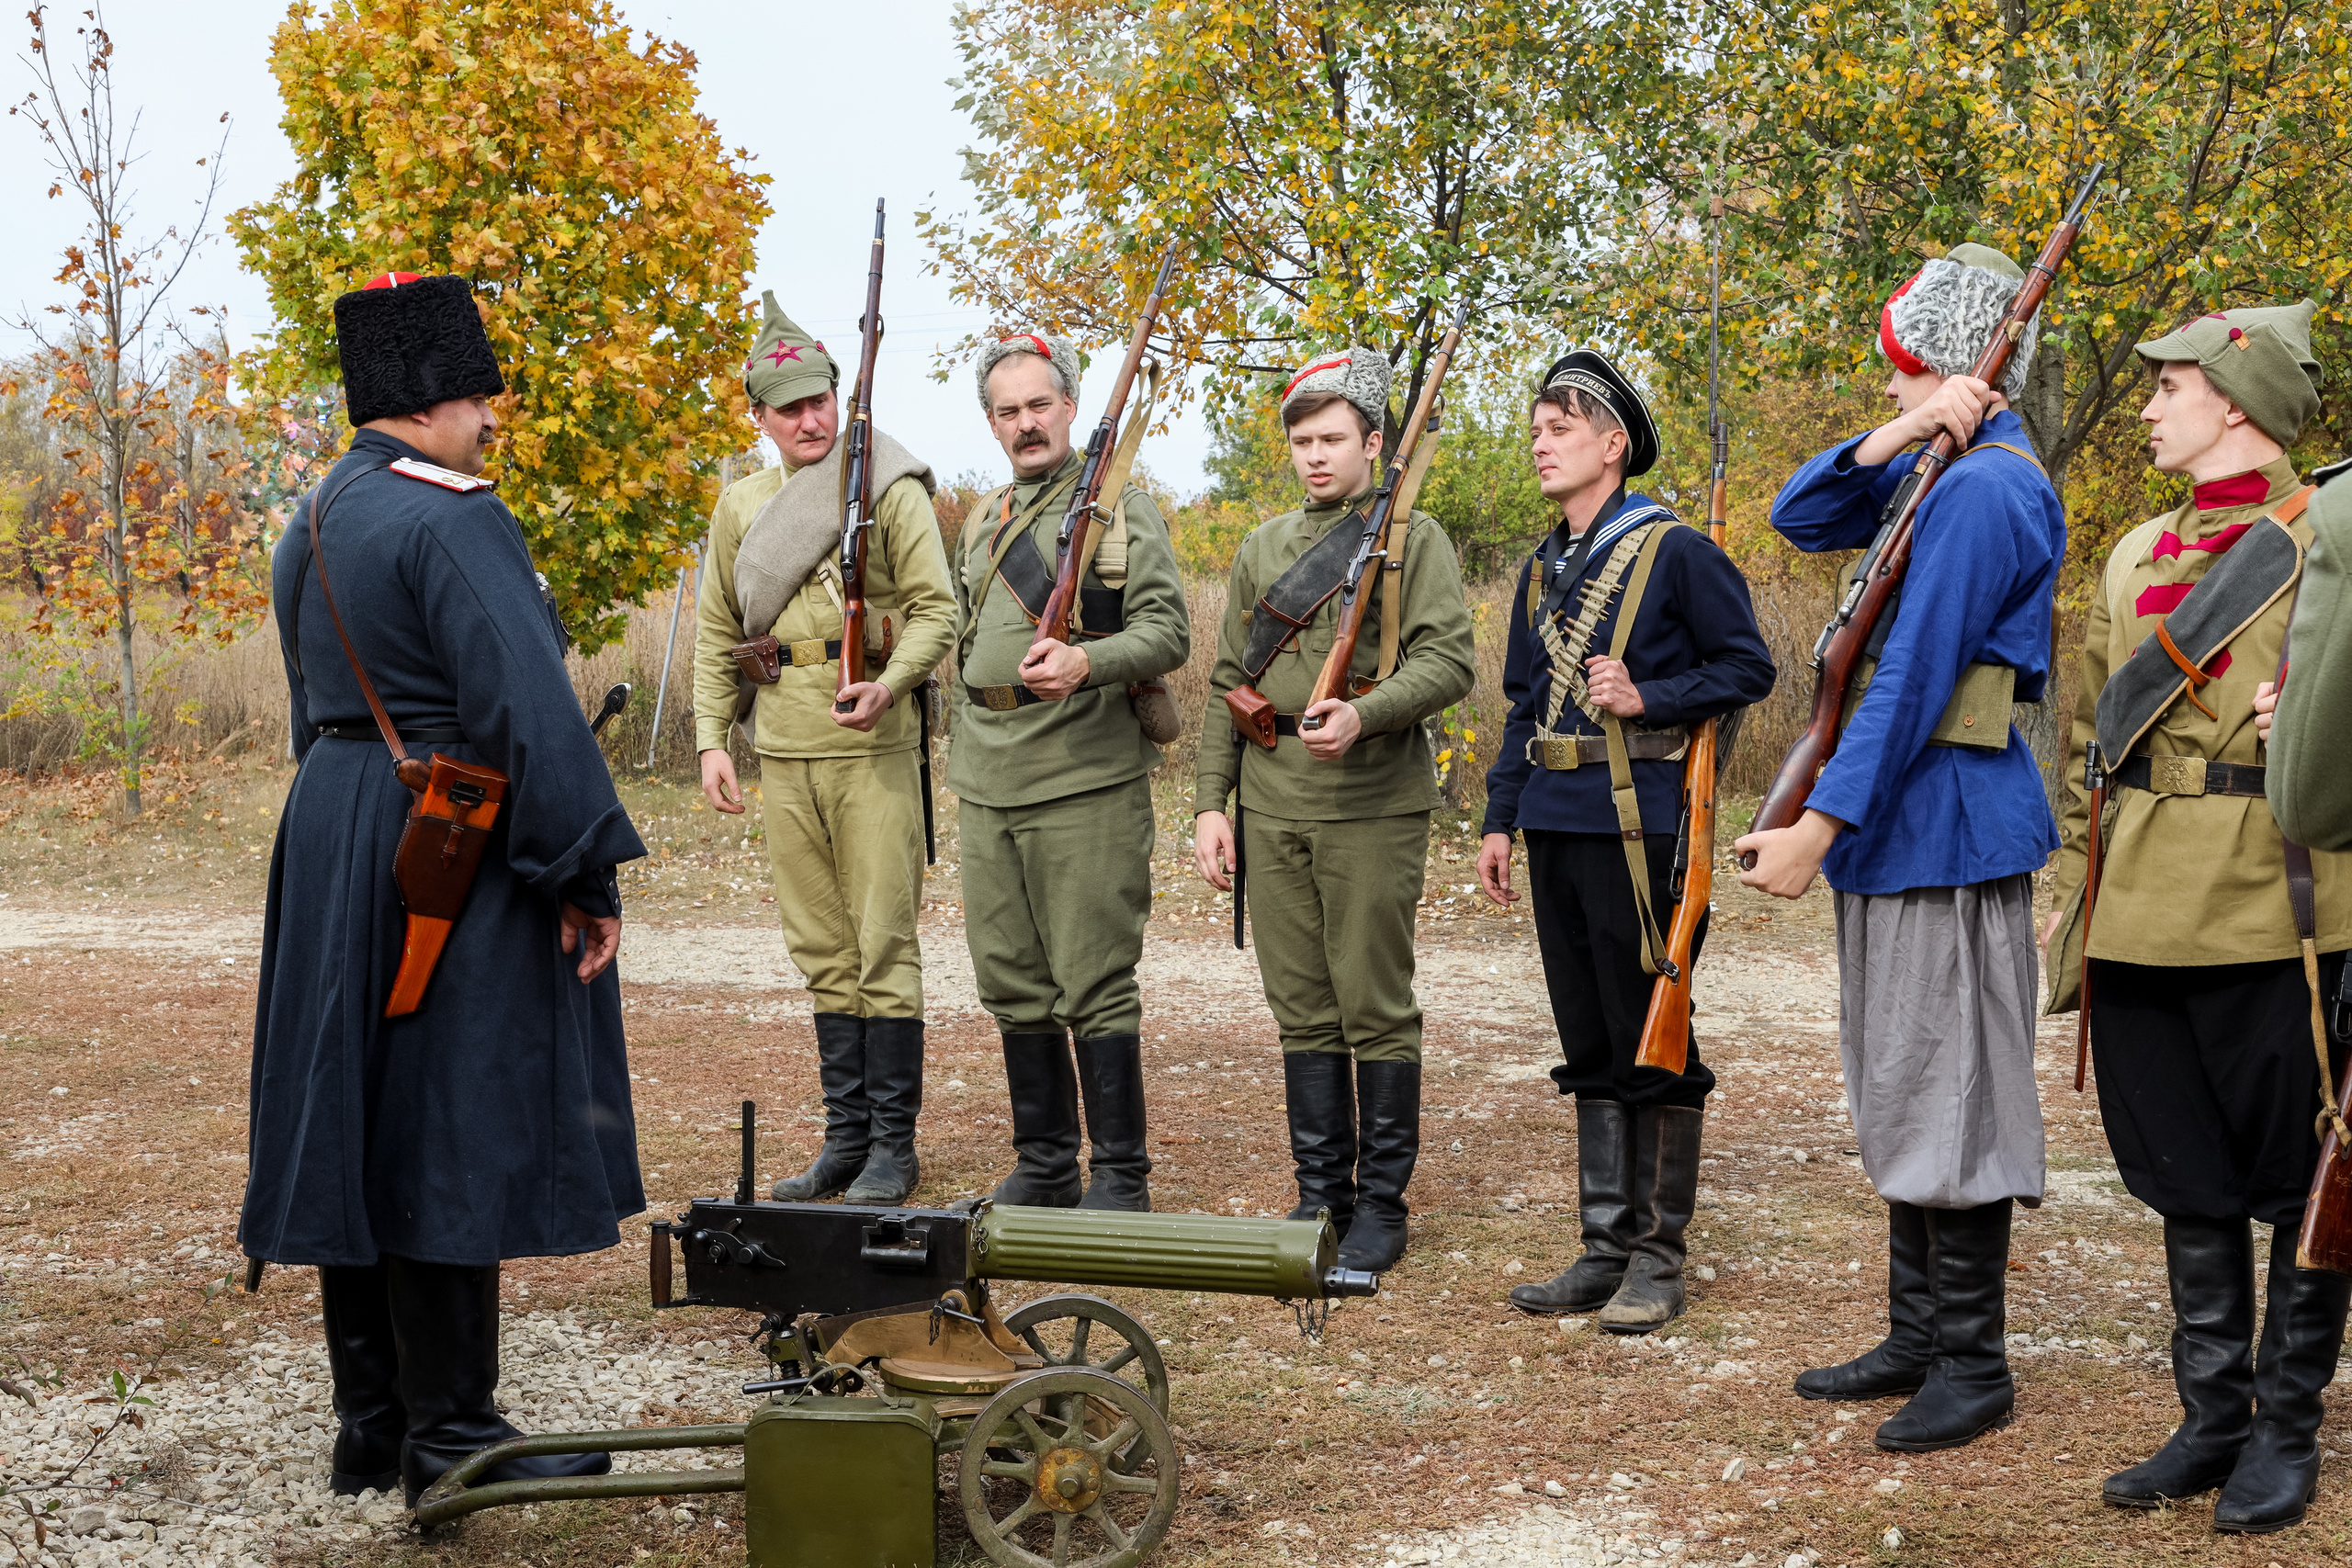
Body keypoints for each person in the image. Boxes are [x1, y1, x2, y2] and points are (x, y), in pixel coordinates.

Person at [239, 272, 648, 1505]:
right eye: (478, 389)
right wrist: (582, 870)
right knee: (446, 1118)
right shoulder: (453, 515)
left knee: (358, 1114)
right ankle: (453, 1432)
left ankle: (374, 1421)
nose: (492, 412)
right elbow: (521, 706)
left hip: (334, 825)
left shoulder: (311, 517)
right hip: (442, 833)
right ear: (433, 395)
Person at [1736, 244, 2064, 1451]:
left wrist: (1818, 821)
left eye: (1900, 373)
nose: (1886, 391)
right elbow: (1800, 510)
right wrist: (1907, 429)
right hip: (1904, 824)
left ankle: (1972, 1361)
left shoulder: (1986, 490)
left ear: (1952, 356)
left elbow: (1915, 674)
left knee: (1952, 1087)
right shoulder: (1939, 464)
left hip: (1947, 822)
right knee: (1903, 1073)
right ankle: (1918, 1330)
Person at [2044, 300, 2350, 1533]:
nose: (2152, 403)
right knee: (2186, 1174)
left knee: (2305, 1177)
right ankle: (2212, 1413)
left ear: (2234, 399)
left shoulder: (2329, 531)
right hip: (2143, 905)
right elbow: (2088, 739)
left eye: (2171, 386)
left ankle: (2287, 1427)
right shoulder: (2126, 555)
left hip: (2280, 901)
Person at [1478, 350, 1774, 1330]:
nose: (1541, 439)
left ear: (1614, 446)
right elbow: (1526, 703)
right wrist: (1498, 817)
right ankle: (1604, 1245)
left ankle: (1657, 1255)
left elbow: (1748, 667)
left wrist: (1652, 695)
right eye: (1536, 425)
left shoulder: (1675, 552)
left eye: (1560, 425)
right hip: (1557, 822)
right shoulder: (1541, 566)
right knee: (1587, 1037)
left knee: (1654, 1032)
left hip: (1641, 823)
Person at [1192, 347, 1476, 1273]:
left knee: (1372, 1006)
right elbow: (1227, 684)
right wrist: (1211, 805)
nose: (1315, 456)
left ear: (1374, 442)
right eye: (1302, 441)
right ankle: (1321, 1195)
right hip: (1271, 800)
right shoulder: (1263, 546)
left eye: (1332, 439)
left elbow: (1448, 664)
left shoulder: (1414, 537)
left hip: (1370, 803)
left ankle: (1382, 1207)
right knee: (1302, 1008)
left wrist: (1364, 712)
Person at [691, 294, 954, 1206]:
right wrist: (711, 740)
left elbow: (936, 608)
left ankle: (893, 1148)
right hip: (785, 748)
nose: (810, 419)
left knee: (883, 945)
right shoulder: (740, 506)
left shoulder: (888, 484)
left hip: (871, 746)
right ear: (758, 416)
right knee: (821, 949)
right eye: (789, 405)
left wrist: (891, 683)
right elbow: (719, 628)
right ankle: (846, 1142)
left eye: (821, 401)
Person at [952, 331, 1190, 1211]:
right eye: (1007, 411)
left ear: (1070, 408)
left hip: (1083, 772)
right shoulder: (983, 519)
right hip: (988, 773)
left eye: (1038, 405)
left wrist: (1088, 663)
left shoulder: (1123, 507)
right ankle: (1046, 1162)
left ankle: (1120, 1173)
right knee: (1010, 972)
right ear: (991, 422)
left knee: (1092, 972)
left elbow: (1168, 634)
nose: (1025, 424)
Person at [2262, 455, 2352, 848]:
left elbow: (2308, 809)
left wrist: (2295, 727)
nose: (2148, 412)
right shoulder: (2133, 551)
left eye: (2170, 388)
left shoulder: (2337, 517)